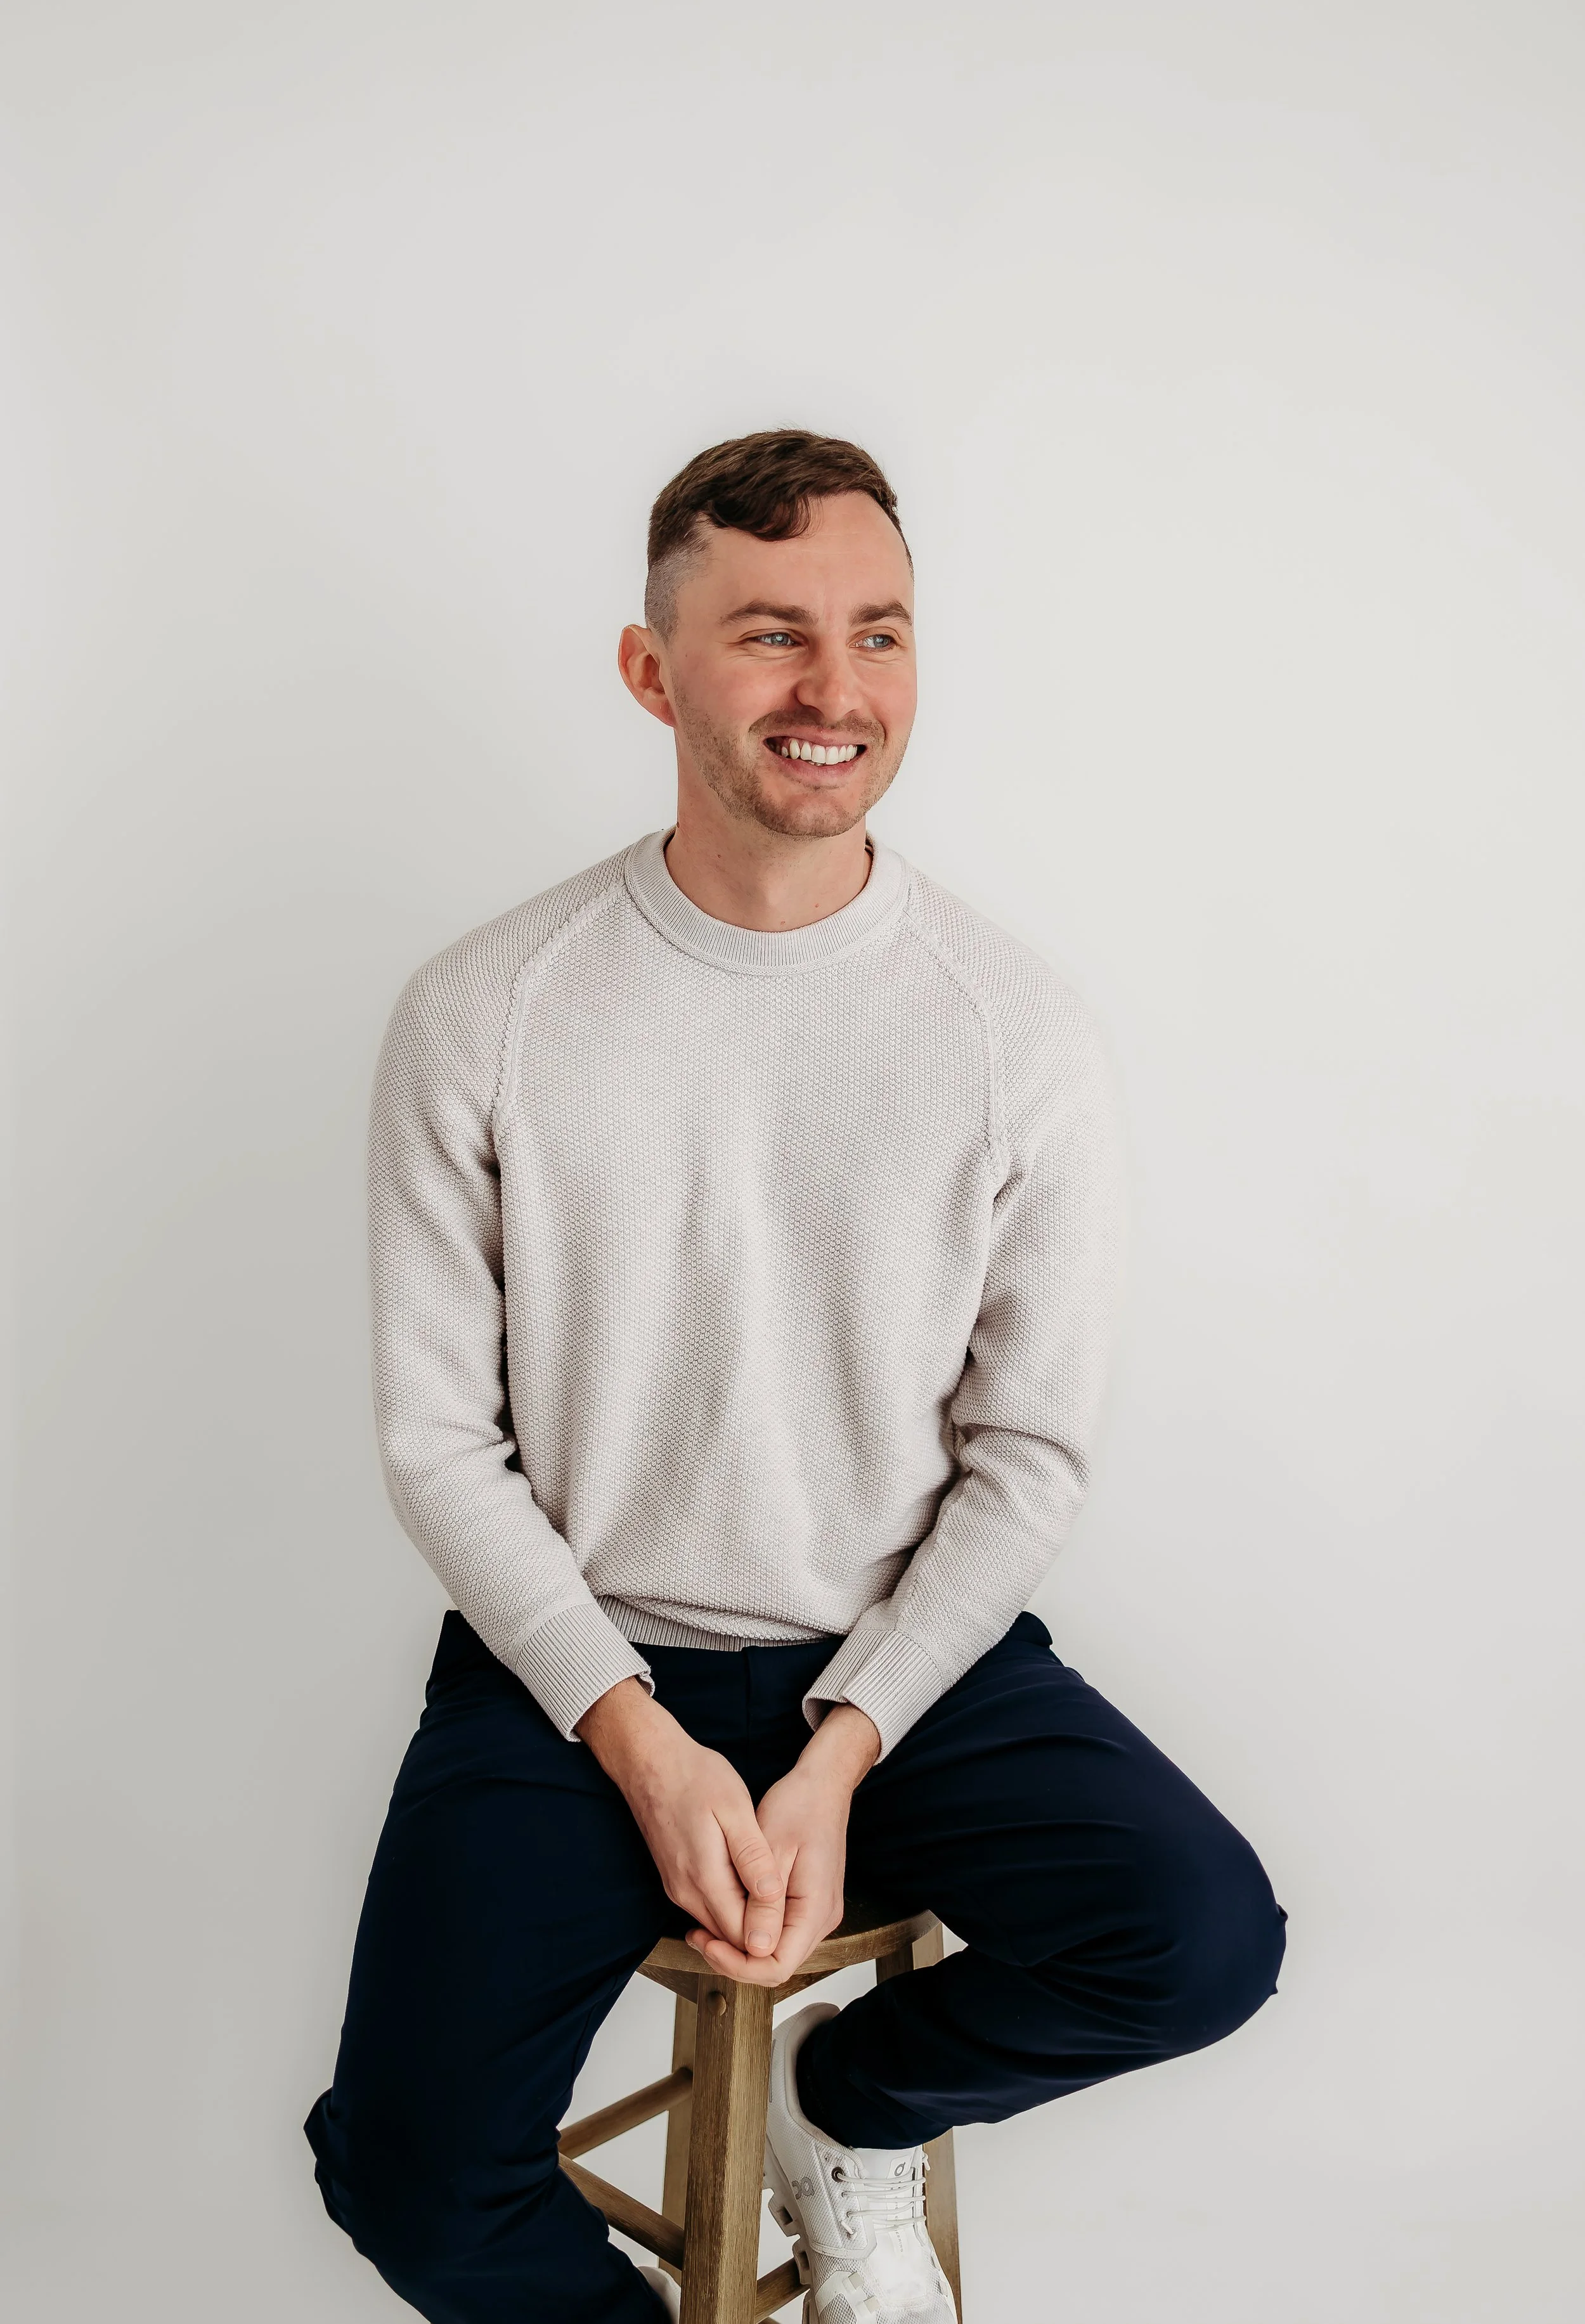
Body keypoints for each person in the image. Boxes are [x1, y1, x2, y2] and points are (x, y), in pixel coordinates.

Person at [304, 430, 1286, 2324]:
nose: (836, 691)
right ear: (649, 670)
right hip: (573, 1671)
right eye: (770, 635)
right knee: (409, 2178)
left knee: (1197, 1941)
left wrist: (846, 1742)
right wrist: (639, 1741)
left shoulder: (1013, 1030)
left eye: (880, 634)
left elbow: (1027, 1451)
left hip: (910, 1662)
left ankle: (860, 2114)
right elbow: (437, 1438)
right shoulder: (486, 1007)